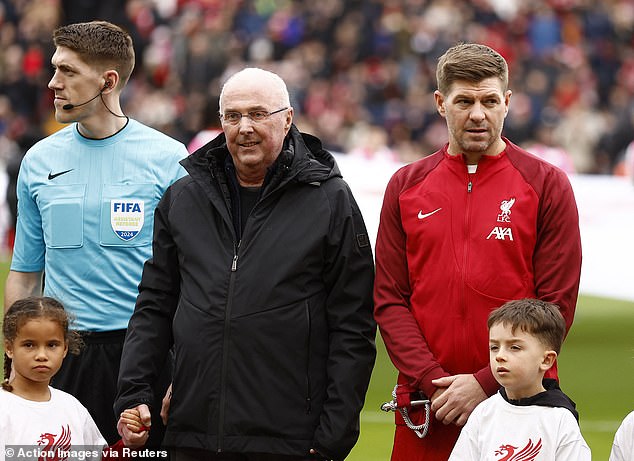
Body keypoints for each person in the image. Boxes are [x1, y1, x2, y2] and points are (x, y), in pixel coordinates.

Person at [114, 67, 376, 461]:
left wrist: (332, 438)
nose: (244, 127)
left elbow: (353, 326)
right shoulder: (183, 198)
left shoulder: (331, 200)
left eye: (258, 114)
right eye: (232, 116)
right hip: (191, 432)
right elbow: (154, 304)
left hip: (288, 441)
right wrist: (134, 394)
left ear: (287, 119)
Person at [373, 42, 582, 460]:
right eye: (463, 101)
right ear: (440, 102)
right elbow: (390, 298)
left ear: (507, 102)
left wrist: (486, 382)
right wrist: (434, 380)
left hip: (521, 401)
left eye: (489, 101)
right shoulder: (406, 186)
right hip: (429, 403)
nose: (477, 114)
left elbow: (555, 304)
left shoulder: (546, 184)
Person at [4, 20, 188, 450]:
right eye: (54, 69)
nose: (53, 83)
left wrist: (188, 369)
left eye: (67, 71)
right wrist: (12, 358)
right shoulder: (38, 161)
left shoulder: (167, 159)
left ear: (107, 81)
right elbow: (26, 275)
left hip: (145, 359)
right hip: (66, 357)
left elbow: (196, 277)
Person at [1, 296, 149, 460]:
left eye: (52, 345)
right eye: (29, 344)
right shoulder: (4, 408)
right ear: (9, 348)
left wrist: (128, 444)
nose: (41, 355)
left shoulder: (72, 407)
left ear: (65, 348)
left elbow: (100, 458)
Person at [448, 298, 591, 460]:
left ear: (546, 360)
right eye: (494, 347)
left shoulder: (560, 420)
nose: (500, 356)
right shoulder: (483, 413)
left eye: (515, 347)